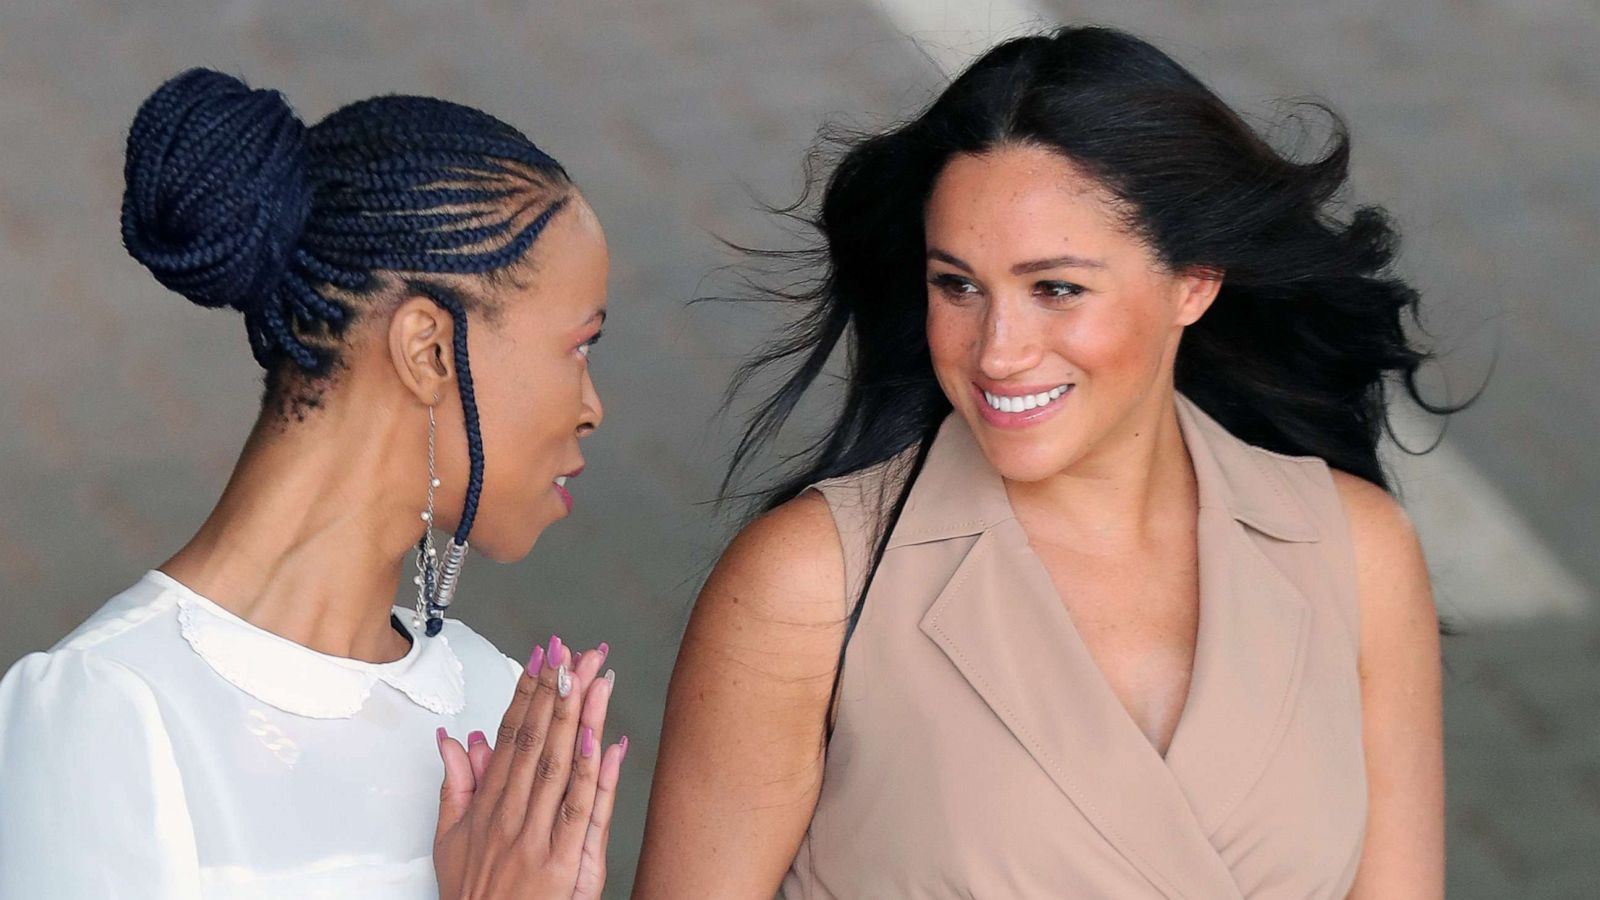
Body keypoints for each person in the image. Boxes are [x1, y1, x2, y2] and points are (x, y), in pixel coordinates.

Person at [639, 26, 1452, 898]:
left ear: (1194, 282)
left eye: (1056, 289)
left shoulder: (1357, 554)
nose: (997, 351)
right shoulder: (809, 584)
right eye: (959, 285)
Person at [0, 69, 626, 899]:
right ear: (428, 350)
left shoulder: (503, 715)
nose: (593, 409)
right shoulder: (108, 716)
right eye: (578, 347)